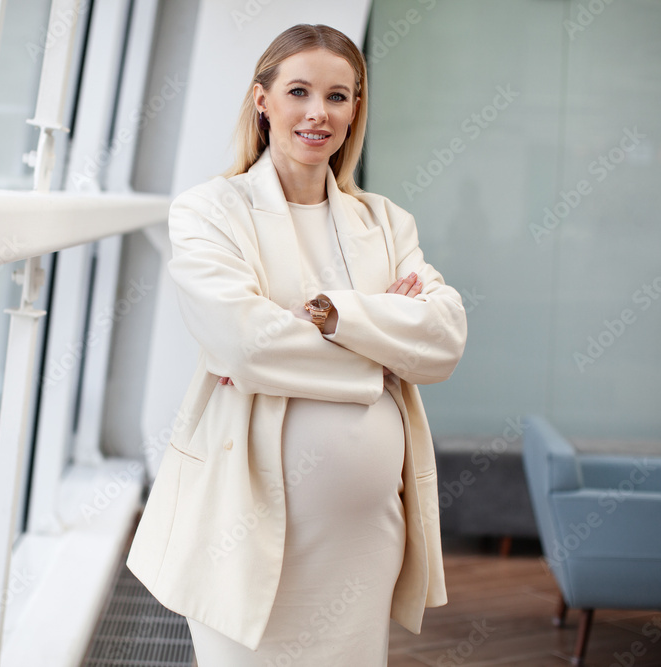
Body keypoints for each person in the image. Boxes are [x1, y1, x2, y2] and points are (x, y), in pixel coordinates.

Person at [125, 23, 467, 666]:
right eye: (299, 91)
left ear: (355, 109)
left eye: (338, 96)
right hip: (241, 531)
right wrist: (383, 355)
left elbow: (442, 341)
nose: (318, 113)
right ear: (263, 100)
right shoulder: (209, 211)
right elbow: (246, 345)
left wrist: (332, 315)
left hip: (365, 537)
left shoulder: (387, 222)